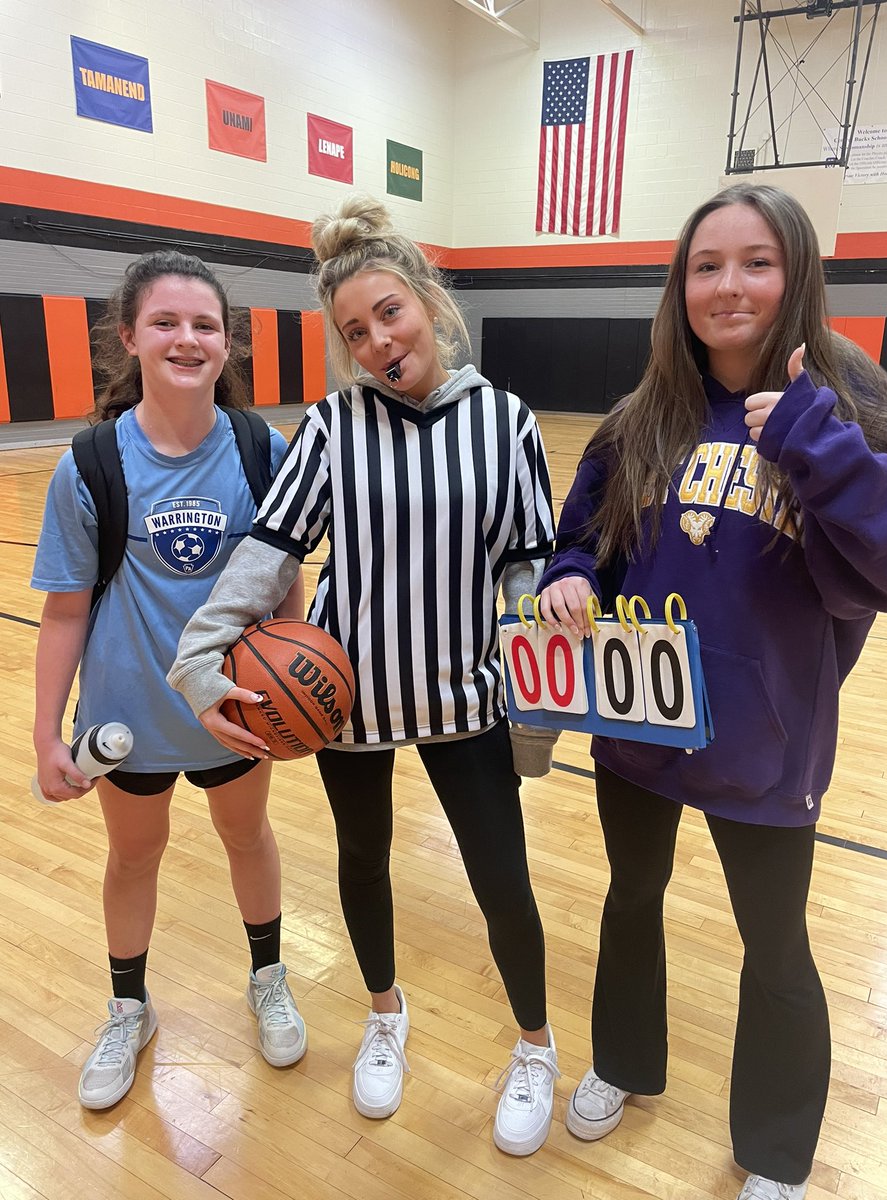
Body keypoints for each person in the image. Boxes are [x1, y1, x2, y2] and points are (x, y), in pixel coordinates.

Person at [167, 196, 560, 1156]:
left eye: (390, 312)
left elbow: (528, 565)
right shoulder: (334, 427)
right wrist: (197, 656)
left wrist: (543, 676)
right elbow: (270, 550)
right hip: (347, 703)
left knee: (502, 877)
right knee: (361, 863)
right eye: (356, 330)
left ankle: (536, 1045)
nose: (379, 340)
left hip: (466, 701)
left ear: (428, 300)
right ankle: (385, 1015)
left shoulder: (505, 422)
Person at [537, 183, 887, 1200]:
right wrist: (570, 572)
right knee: (631, 897)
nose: (728, 284)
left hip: (767, 737)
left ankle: (777, 1155)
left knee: (775, 945)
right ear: (678, 287)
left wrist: (816, 443)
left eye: (756, 262)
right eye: (706, 265)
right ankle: (623, 1059)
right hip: (636, 724)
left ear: (797, 276)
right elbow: (585, 535)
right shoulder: (638, 418)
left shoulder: (850, 405)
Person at [31, 250, 308, 1111]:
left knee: (247, 837)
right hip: (129, 714)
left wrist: (295, 690)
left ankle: (267, 976)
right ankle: (128, 1006)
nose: (187, 339)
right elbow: (66, 612)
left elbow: (285, 587)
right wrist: (44, 735)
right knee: (134, 855)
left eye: (204, 325)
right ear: (130, 338)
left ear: (228, 345)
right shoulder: (90, 464)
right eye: (166, 322)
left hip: (234, 712)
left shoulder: (266, 450)